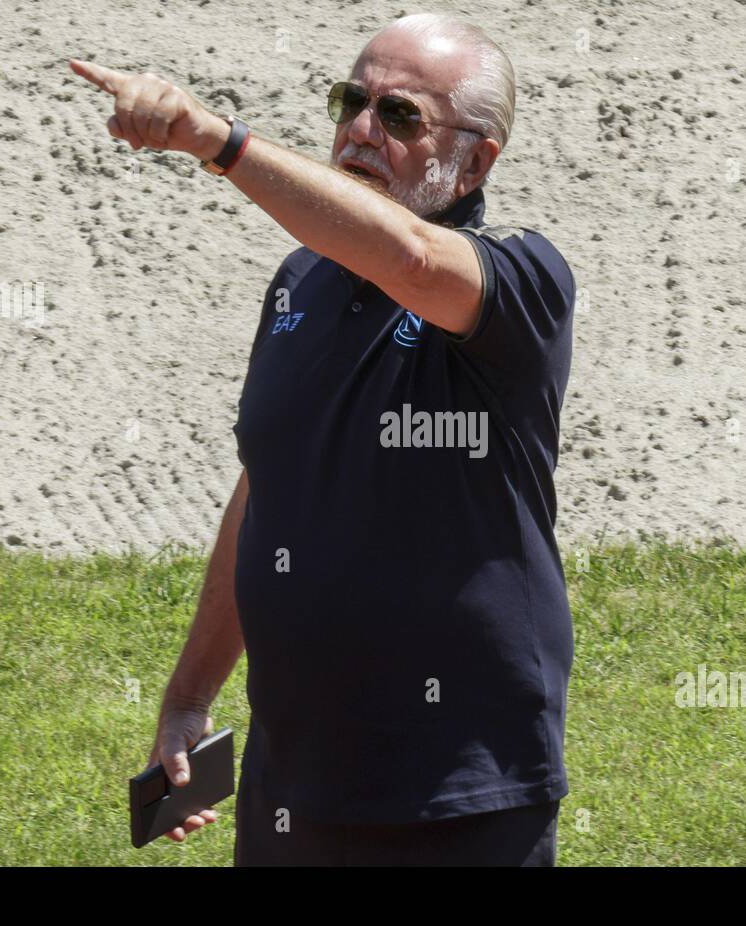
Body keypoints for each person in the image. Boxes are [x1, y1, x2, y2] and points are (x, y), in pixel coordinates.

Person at [70, 12, 576, 866]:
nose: (361, 130)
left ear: (477, 158)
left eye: (402, 115)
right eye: (352, 101)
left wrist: (214, 140)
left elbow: (414, 256)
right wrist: (191, 696)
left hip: (461, 789)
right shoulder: (300, 280)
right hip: (290, 784)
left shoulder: (522, 279)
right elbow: (268, 482)